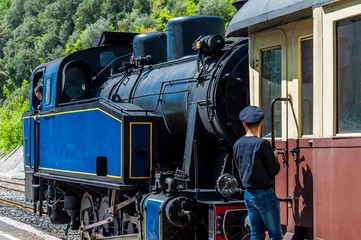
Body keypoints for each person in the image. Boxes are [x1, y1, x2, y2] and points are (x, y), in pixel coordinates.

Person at [233, 105, 282, 240]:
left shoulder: (237, 144)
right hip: (265, 194)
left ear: (244, 124)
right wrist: (275, 158)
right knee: (275, 234)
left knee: (256, 234)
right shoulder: (262, 144)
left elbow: (239, 166)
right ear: (260, 124)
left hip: (248, 194)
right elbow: (274, 170)